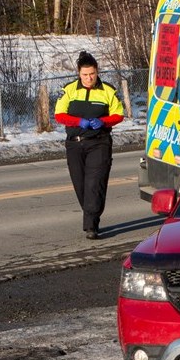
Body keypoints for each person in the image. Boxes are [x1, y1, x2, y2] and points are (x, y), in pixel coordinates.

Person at [54, 51, 125, 239]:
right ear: (79, 73)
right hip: (75, 144)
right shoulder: (69, 90)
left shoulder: (108, 90)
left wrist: (103, 122)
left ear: (97, 72)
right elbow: (59, 115)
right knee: (81, 185)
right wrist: (79, 122)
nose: (89, 78)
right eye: (85, 74)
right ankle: (91, 216)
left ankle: (91, 226)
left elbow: (118, 114)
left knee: (94, 184)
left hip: (99, 143)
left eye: (92, 74)